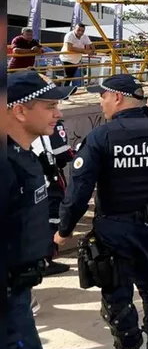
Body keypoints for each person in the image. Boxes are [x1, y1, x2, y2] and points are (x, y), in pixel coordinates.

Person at [55, 74, 148, 349]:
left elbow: (79, 191)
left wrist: (64, 230)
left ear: (117, 97)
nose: (101, 102)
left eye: (103, 96)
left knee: (117, 296)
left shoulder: (100, 137)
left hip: (113, 232)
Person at [6, 71, 76, 349]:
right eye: (50, 106)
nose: (58, 114)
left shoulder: (23, 156)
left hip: (18, 293)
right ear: (20, 110)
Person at [31, 117, 76, 276]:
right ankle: (46, 259)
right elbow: (61, 152)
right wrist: (78, 153)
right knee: (53, 216)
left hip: (37, 176)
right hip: (50, 178)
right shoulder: (52, 123)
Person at [59, 23, 94, 87]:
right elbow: (69, 48)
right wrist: (84, 51)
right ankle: (63, 93)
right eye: (78, 30)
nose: (80, 32)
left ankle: (65, 91)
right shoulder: (69, 35)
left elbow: (91, 46)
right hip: (66, 58)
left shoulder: (85, 36)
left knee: (70, 77)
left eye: (82, 31)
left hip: (76, 60)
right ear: (74, 29)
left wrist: (91, 50)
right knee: (68, 77)